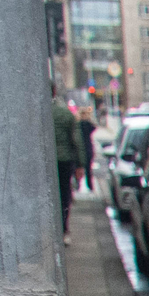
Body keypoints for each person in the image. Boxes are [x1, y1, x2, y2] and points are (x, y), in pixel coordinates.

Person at [51, 99, 85, 237]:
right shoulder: (66, 114)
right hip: (65, 160)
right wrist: (80, 164)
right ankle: (64, 228)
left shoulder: (35, 113)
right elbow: (76, 140)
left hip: (47, 160)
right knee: (64, 193)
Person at [77, 110, 99, 191]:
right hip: (87, 148)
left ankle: (78, 185)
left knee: (78, 168)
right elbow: (94, 127)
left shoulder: (77, 125)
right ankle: (90, 186)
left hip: (79, 148)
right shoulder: (89, 125)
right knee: (88, 169)